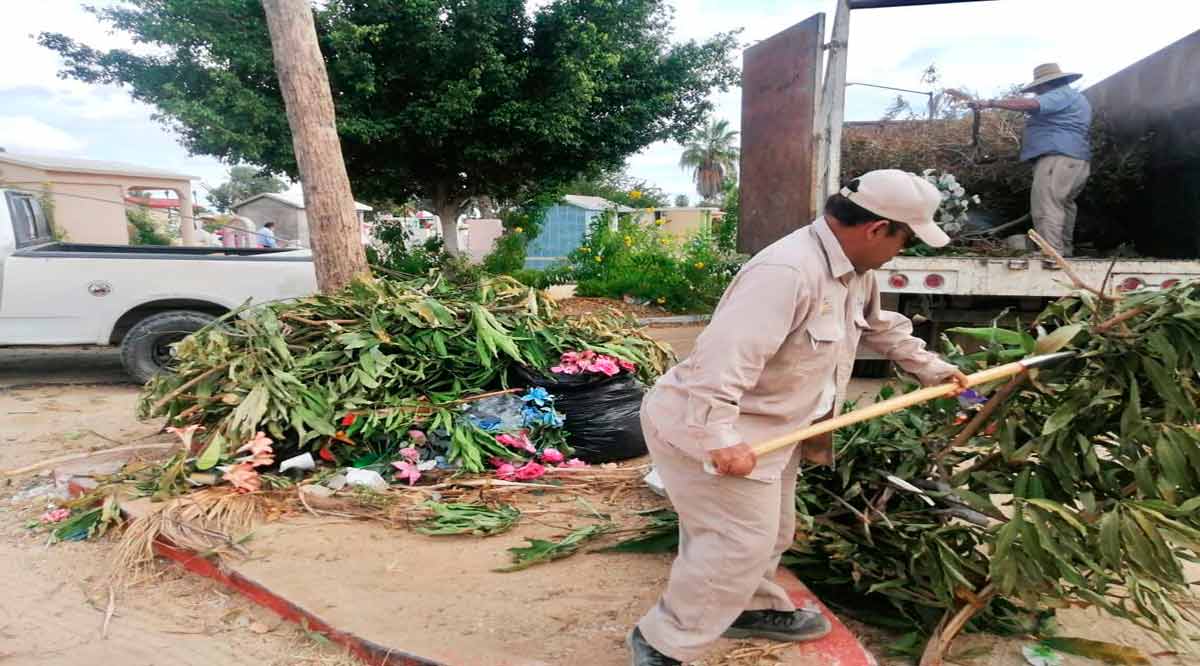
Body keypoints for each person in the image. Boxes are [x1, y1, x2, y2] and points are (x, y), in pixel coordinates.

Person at [627, 169, 970, 666]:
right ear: (877, 229)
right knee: (734, 544)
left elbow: (880, 326)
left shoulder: (854, 269)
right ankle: (662, 642)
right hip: (709, 427)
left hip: (775, 428)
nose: (903, 250)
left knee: (774, 529)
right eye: (906, 239)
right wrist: (720, 438)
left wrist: (931, 368)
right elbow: (723, 362)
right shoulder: (787, 271)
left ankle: (749, 606)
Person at [948, 63, 1092, 256]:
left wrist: (990, 103)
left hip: (1057, 157)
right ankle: (1064, 251)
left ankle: (1051, 253)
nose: (1037, 93)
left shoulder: (1060, 94)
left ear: (1047, 84)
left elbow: (1032, 105)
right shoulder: (1076, 99)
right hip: (1076, 159)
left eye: (1038, 88)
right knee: (1064, 205)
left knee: (1046, 205)